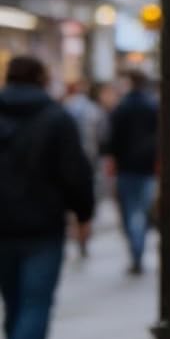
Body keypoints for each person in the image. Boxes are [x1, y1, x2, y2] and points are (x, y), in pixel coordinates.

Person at [0, 55, 95, 339]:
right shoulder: (56, 118)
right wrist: (83, 214)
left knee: (14, 303)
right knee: (36, 303)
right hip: (42, 226)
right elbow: (75, 171)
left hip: (3, 228)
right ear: (41, 78)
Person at [103, 71, 159, 276]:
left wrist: (112, 160)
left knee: (129, 213)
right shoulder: (152, 106)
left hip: (127, 168)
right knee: (141, 213)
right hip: (145, 168)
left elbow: (111, 140)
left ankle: (136, 252)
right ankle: (138, 250)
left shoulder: (122, 108)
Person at [62, 81, 108, 259]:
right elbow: (103, 135)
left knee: (69, 206)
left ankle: (75, 234)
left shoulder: (63, 109)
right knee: (84, 202)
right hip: (89, 160)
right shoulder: (93, 110)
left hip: (69, 161)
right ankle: (83, 237)